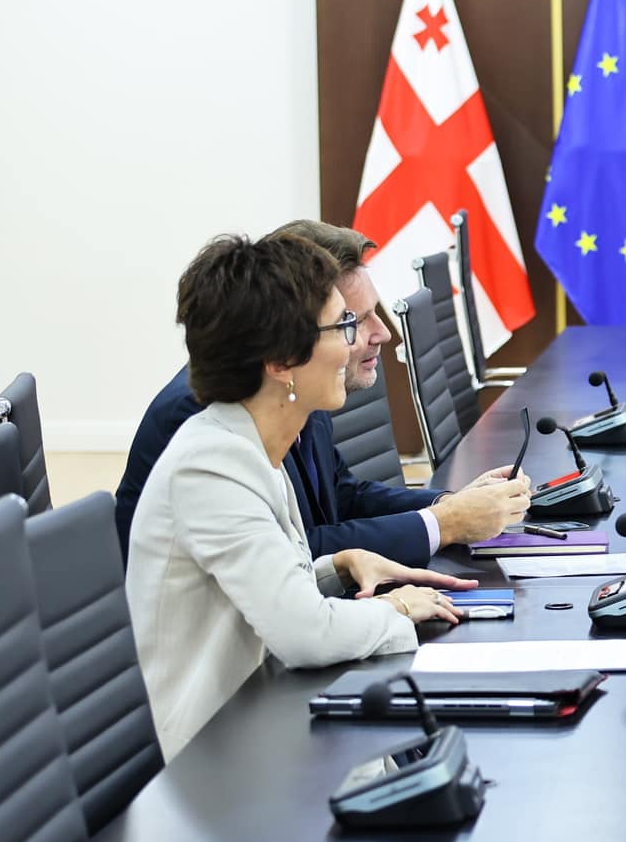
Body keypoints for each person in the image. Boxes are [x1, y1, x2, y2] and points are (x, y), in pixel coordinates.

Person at [127, 233, 480, 758]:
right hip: (213, 760)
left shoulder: (248, 442)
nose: (356, 343)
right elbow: (305, 634)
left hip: (262, 722)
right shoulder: (212, 464)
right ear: (280, 361)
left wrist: (335, 566)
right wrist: (398, 608)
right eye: (343, 326)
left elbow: (259, 588)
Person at [113, 220, 528, 564]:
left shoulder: (297, 387)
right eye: (352, 322)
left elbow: (340, 495)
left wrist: (450, 505)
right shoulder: (206, 412)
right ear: (291, 333)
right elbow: (289, 555)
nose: (383, 334)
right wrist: (445, 524)